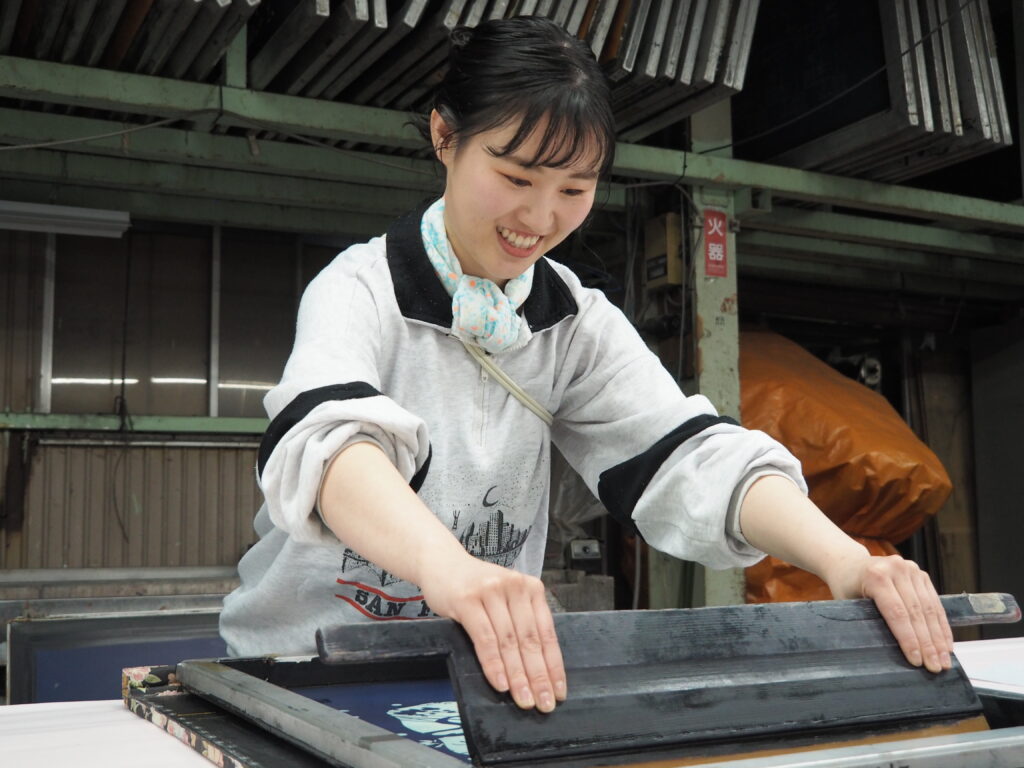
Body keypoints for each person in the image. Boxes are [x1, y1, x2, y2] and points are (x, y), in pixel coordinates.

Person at [219, 16, 953, 715]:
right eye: (514, 178)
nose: (539, 219)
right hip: (308, 667)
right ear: (446, 136)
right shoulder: (362, 288)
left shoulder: (574, 322)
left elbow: (689, 456)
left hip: (479, 672)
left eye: (573, 190)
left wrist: (850, 562)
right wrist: (451, 571)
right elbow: (330, 446)